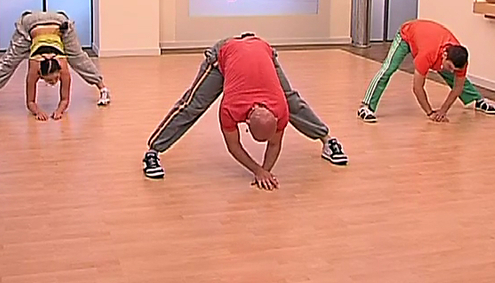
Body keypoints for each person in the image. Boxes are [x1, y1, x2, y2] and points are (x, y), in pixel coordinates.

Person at [142, 33, 348, 189]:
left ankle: (327, 141)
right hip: (225, 54)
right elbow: (234, 146)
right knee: (192, 105)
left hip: (261, 49)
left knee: (292, 101)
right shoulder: (230, 108)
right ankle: (153, 151)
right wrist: (258, 171)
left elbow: (275, 143)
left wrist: (265, 171)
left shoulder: (280, 108)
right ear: (246, 123)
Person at [357, 19, 495, 123]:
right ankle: (366, 106)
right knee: (388, 68)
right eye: (450, 67)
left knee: (456, 77)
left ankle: (477, 100)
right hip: (406, 35)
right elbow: (417, 88)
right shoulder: (427, 54)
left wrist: (443, 111)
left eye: (455, 69)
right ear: (444, 55)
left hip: (431, 44)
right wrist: (430, 112)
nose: (452, 70)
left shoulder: (460, 60)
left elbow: (458, 87)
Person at [0, 10, 111, 120]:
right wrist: (37, 112)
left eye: (55, 78)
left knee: (79, 58)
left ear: (59, 70)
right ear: (40, 74)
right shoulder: (34, 68)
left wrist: (59, 111)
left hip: (59, 23)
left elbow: (65, 99)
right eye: (50, 81)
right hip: (31, 24)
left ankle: (103, 89)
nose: (54, 82)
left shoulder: (63, 68)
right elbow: (30, 102)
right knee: (10, 61)